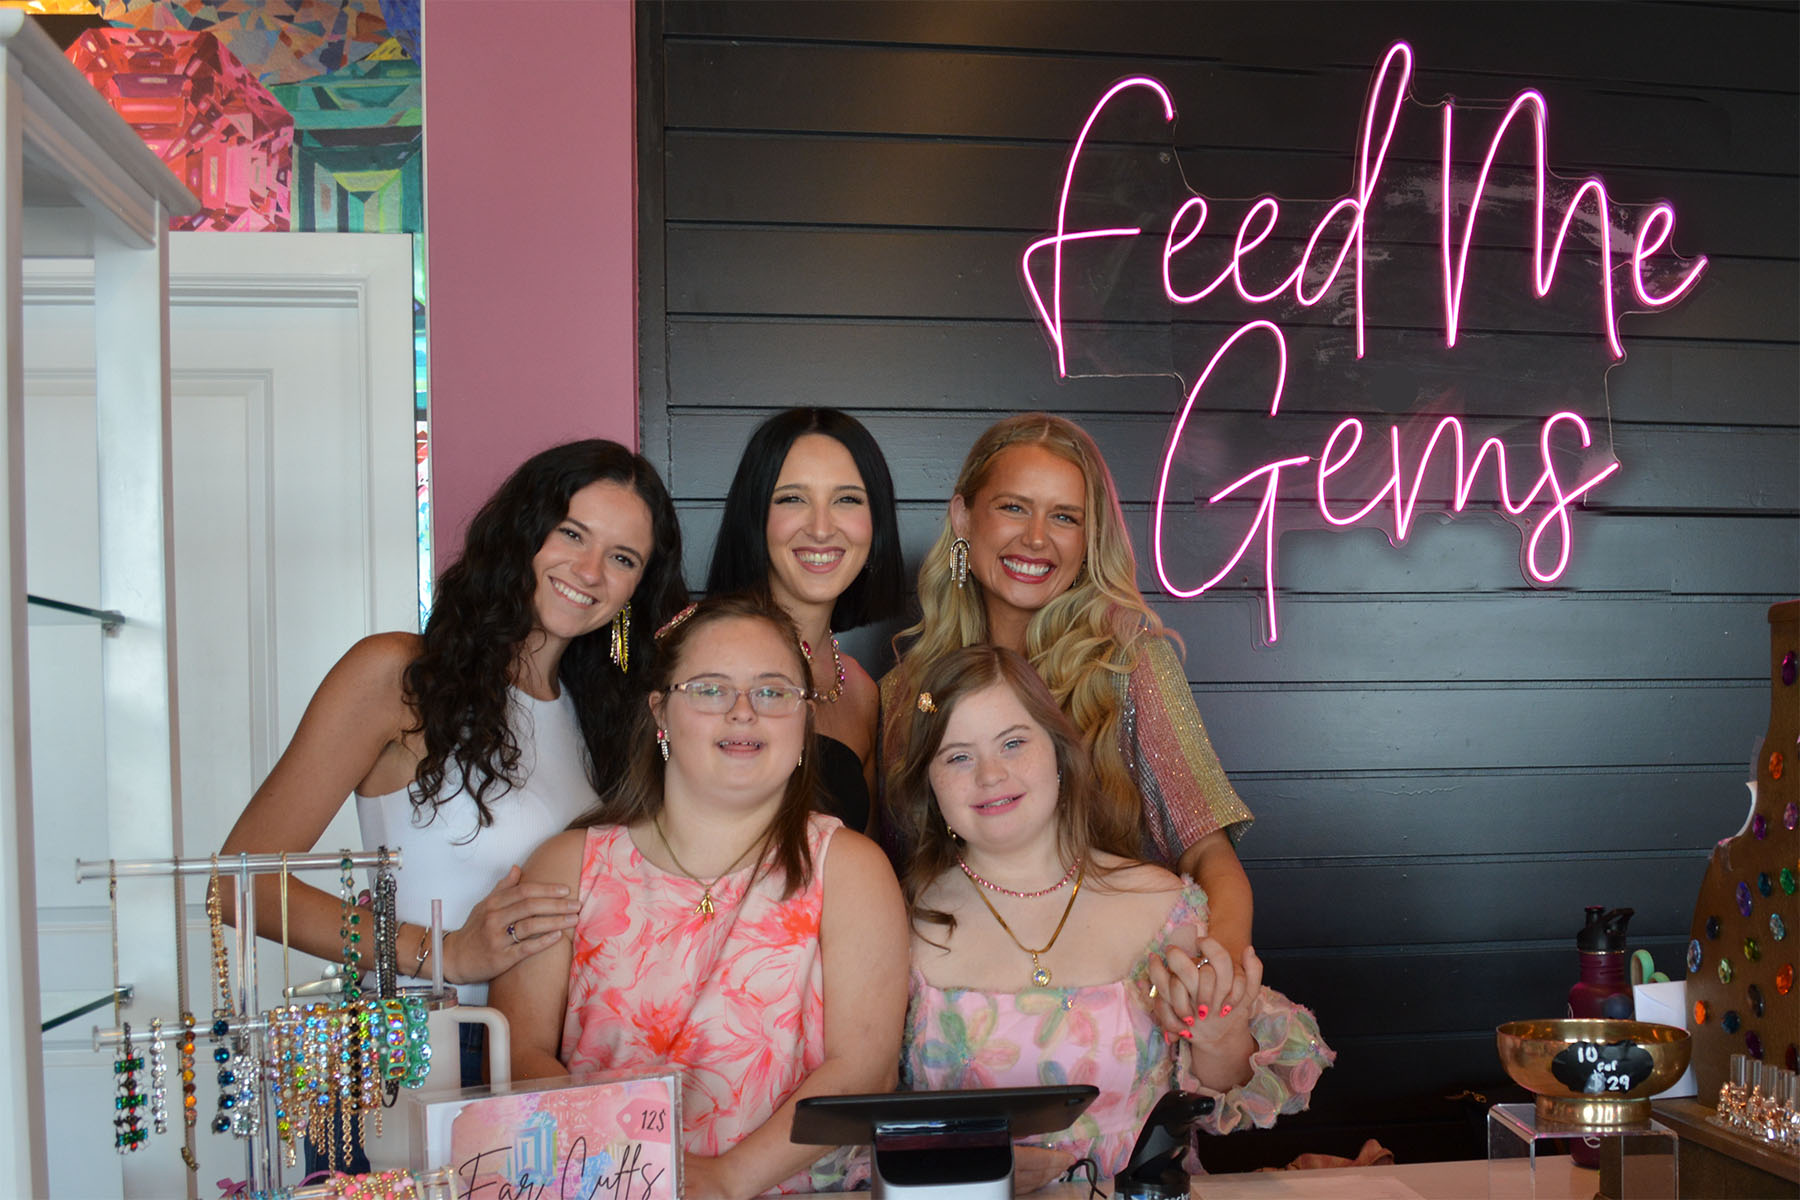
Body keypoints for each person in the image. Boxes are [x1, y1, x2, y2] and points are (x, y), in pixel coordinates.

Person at [220, 439, 688, 1015]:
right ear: (522, 533)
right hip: (430, 1054)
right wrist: (445, 953)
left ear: (636, 590)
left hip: (552, 1064)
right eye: (571, 533)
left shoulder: (606, 716)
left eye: (623, 558)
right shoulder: (402, 677)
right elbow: (240, 886)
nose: (589, 571)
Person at [489, 592, 909, 1198]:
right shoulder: (566, 865)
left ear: (804, 719)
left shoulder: (851, 870)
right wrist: (637, 1177)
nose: (744, 712)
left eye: (772, 691)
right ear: (660, 712)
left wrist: (725, 1181)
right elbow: (519, 1056)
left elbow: (862, 1067)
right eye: (711, 689)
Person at [888, 646, 1331, 1189]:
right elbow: (855, 1125)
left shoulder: (1162, 904)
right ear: (929, 784)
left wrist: (1218, 1037)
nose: (990, 774)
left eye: (1013, 743)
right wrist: (965, 1159)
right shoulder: (898, 921)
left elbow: (1223, 1093)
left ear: (1057, 750)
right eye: (957, 756)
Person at [878, 413, 1257, 959]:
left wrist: (1216, 968)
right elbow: (895, 876)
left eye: (1064, 517)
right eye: (1013, 507)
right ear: (963, 517)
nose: (1035, 538)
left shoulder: (1130, 666)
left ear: (1088, 539)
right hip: (966, 996)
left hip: (1119, 994)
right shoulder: (905, 692)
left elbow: (1209, 855)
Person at [706, 408, 905, 832]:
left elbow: (862, 856)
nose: (820, 528)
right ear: (755, 515)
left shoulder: (862, 692)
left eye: (847, 499)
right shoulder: (699, 657)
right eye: (792, 498)